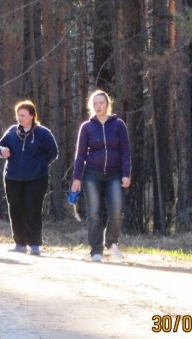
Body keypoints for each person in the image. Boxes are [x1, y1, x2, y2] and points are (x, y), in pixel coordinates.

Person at [70, 89, 131, 262]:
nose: (98, 106)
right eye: (95, 103)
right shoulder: (87, 127)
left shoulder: (118, 125)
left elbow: (126, 152)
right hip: (92, 175)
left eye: (101, 103)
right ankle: (95, 250)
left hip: (115, 175)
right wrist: (76, 178)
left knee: (116, 211)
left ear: (107, 104)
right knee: (94, 213)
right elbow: (80, 154)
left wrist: (126, 174)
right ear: (91, 106)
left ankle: (111, 243)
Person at [0, 100, 58, 256]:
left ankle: (35, 244)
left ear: (31, 116)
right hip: (12, 177)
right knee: (15, 210)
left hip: (37, 178)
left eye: (23, 115)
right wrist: (2, 150)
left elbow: (53, 152)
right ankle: (20, 243)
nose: (20, 118)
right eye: (18, 115)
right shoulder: (11, 132)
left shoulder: (43, 133)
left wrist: (39, 165)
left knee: (33, 209)